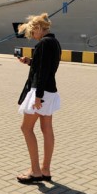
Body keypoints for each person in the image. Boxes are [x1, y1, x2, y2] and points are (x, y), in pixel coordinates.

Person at [16, 13, 61, 184]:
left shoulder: (43, 43)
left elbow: (42, 71)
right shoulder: (54, 42)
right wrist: (30, 61)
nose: (33, 36)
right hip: (51, 90)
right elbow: (46, 65)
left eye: (32, 32)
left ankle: (35, 171)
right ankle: (45, 169)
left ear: (38, 28)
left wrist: (38, 96)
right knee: (46, 128)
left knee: (26, 128)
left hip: (40, 91)